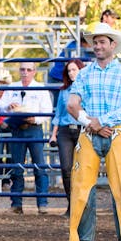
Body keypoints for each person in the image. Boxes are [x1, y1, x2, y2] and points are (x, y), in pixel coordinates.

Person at [64, 23, 121, 241]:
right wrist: (92, 123)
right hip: (100, 131)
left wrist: (97, 122)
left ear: (112, 45)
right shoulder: (85, 73)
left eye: (102, 42)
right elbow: (72, 104)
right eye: (95, 42)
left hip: (109, 131)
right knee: (82, 191)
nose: (97, 46)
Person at [0, 62, 53, 214]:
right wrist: (9, 107)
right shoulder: (12, 88)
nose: (25, 72)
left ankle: (42, 203)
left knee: (40, 166)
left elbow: (47, 110)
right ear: (19, 71)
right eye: (22, 69)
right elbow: (0, 105)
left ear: (34, 71)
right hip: (17, 128)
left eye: (29, 70)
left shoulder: (41, 88)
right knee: (17, 167)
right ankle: (16, 204)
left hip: (34, 128)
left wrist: (35, 119)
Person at [49, 58, 85, 213]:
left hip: (82, 130)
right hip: (64, 130)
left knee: (82, 169)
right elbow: (59, 113)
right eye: (69, 71)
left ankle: (81, 205)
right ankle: (72, 204)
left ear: (80, 71)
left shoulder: (87, 90)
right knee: (66, 168)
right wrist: (53, 135)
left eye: (74, 70)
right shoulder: (64, 91)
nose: (71, 73)